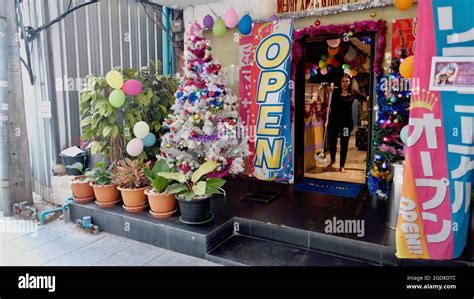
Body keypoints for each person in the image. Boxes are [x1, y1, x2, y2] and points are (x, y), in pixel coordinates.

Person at [325, 74, 365, 173]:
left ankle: (342, 165)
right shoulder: (334, 92)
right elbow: (327, 104)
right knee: (333, 143)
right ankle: (332, 161)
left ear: (349, 83)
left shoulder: (353, 93)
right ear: (340, 82)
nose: (345, 83)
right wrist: (328, 93)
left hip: (346, 124)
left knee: (344, 144)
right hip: (334, 122)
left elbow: (365, 98)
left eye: (347, 81)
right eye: (343, 81)